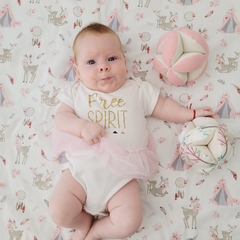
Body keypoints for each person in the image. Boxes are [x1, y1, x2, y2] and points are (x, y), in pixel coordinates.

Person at [49, 22, 213, 240]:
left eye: (111, 58)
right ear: (77, 71)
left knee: (130, 222)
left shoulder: (137, 89)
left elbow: (163, 106)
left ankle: (97, 232)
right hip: (81, 171)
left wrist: (190, 114)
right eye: (91, 62)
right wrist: (82, 127)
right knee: (59, 212)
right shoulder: (76, 93)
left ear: (124, 63)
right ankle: (82, 223)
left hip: (122, 176)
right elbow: (61, 118)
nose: (103, 67)